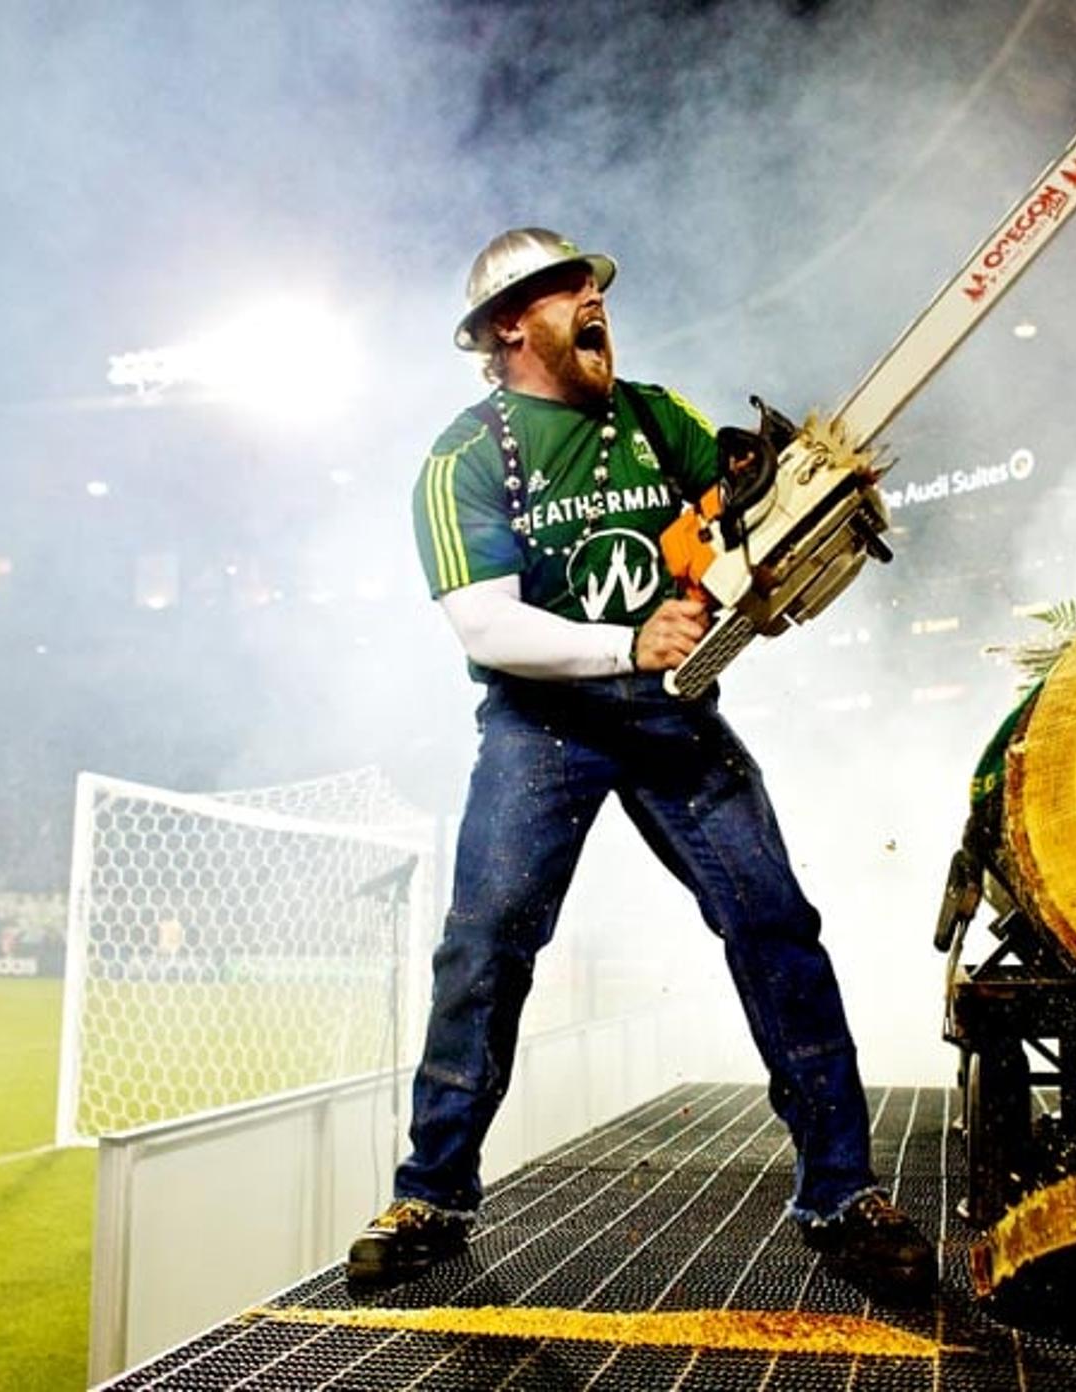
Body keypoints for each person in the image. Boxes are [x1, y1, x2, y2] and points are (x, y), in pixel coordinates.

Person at [350, 227, 933, 1298]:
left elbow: (741, 535)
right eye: (563, 288)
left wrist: (794, 513)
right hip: (544, 725)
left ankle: (842, 1189)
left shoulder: (654, 417)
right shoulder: (464, 458)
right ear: (508, 326)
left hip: (670, 711)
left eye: (589, 283)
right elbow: (484, 627)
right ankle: (433, 1190)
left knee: (775, 926)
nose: (590, 297)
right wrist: (627, 644)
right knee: (484, 947)